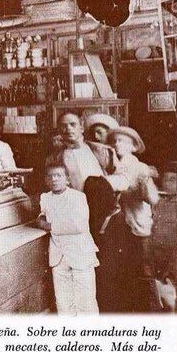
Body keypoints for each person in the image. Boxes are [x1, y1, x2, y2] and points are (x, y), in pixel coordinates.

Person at [46, 111, 130, 312]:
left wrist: (101, 185)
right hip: (80, 222)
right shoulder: (56, 158)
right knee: (85, 279)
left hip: (107, 219)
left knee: (111, 274)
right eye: (64, 126)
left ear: (82, 126)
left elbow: (125, 179)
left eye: (73, 124)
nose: (68, 129)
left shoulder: (101, 151)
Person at [109, 126, 161, 311]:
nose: (117, 144)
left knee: (144, 271)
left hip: (138, 226)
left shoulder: (139, 167)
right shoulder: (113, 167)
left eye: (122, 141)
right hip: (119, 227)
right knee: (125, 272)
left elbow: (153, 198)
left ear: (133, 146)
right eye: (115, 141)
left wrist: (144, 182)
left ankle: (151, 312)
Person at [36, 164, 99, 315]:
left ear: (67, 179)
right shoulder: (45, 198)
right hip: (58, 257)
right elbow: (43, 213)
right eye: (50, 176)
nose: (54, 179)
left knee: (86, 302)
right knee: (63, 303)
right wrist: (41, 218)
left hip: (80, 255)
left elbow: (78, 225)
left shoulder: (78, 197)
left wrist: (48, 225)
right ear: (45, 180)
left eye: (58, 175)